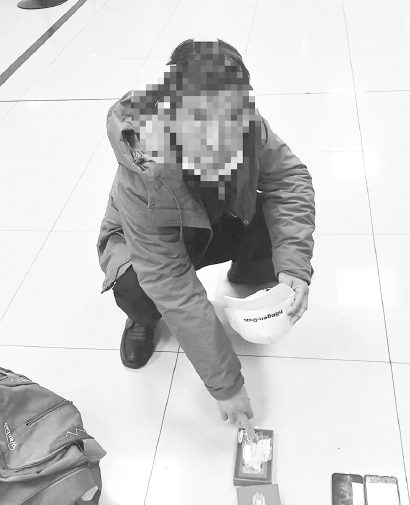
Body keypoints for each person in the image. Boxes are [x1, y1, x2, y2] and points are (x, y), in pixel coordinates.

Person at [97, 39, 315, 440]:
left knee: (271, 226)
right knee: (136, 286)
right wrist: (226, 385)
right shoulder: (142, 175)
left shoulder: (242, 120)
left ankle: (248, 275)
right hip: (148, 241)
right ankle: (141, 319)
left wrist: (294, 266)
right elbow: (171, 282)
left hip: (207, 222)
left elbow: (289, 179)